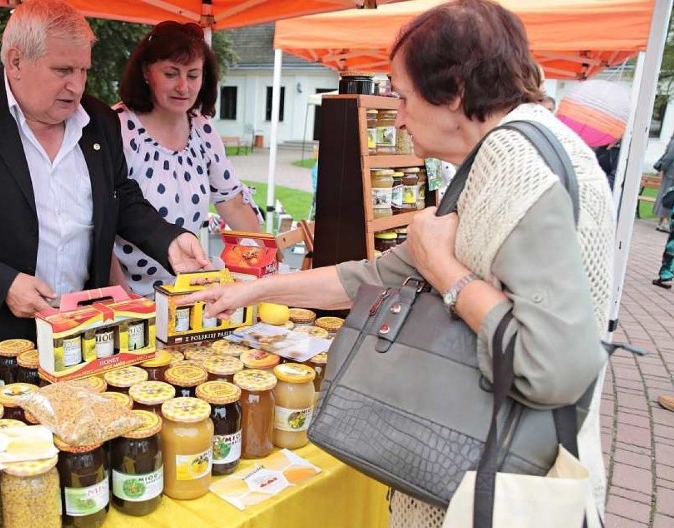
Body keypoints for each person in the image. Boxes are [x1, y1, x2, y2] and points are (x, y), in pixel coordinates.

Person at [184, 0, 614, 524]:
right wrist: (252, 291)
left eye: (403, 96)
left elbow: (551, 369)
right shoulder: (500, 157)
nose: (399, 115)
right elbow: (372, 278)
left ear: (454, 92)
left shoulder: (518, 169)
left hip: (499, 491)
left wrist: (445, 273)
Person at [0, 0, 209, 384]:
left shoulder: (99, 120)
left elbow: (121, 196)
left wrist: (169, 239)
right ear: (15, 62)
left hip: (81, 336)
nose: (76, 85)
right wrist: (3, 284)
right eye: (62, 70)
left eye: (83, 71)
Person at [110, 21, 262, 297]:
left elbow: (233, 203)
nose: (183, 86)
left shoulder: (202, 128)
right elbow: (102, 223)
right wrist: (123, 299)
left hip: (188, 290)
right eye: (171, 74)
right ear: (146, 72)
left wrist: (265, 257)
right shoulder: (116, 127)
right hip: (127, 294)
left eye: (193, 76)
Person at [653, 136, 674, 232]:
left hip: (669, 172)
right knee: (669, 196)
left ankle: (662, 221)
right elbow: (669, 156)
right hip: (671, 173)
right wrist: (662, 166)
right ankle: (665, 221)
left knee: (666, 195)